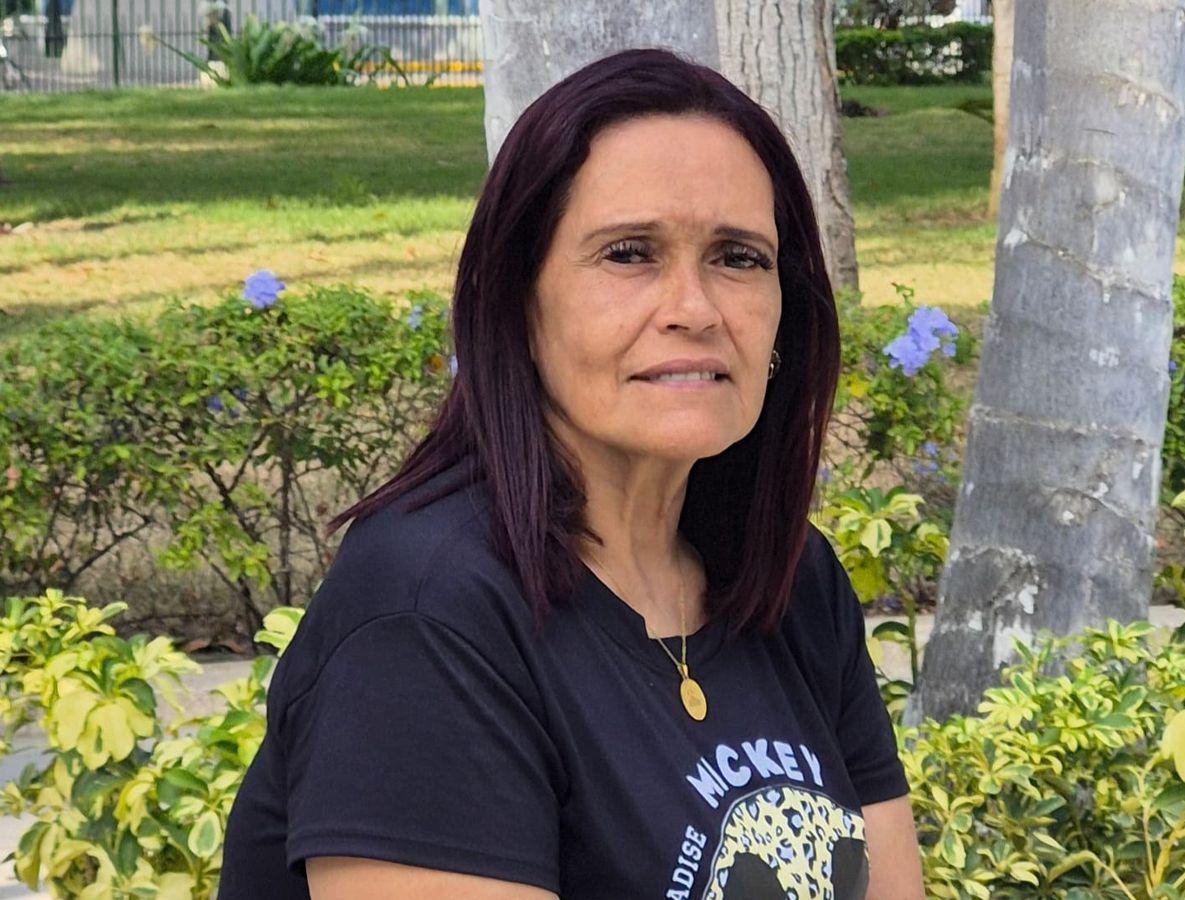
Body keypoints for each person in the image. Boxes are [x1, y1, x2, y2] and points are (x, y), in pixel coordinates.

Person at [220, 48, 925, 900]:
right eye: (629, 253)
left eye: (738, 258)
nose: (695, 309)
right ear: (517, 300)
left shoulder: (791, 579)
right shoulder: (427, 615)